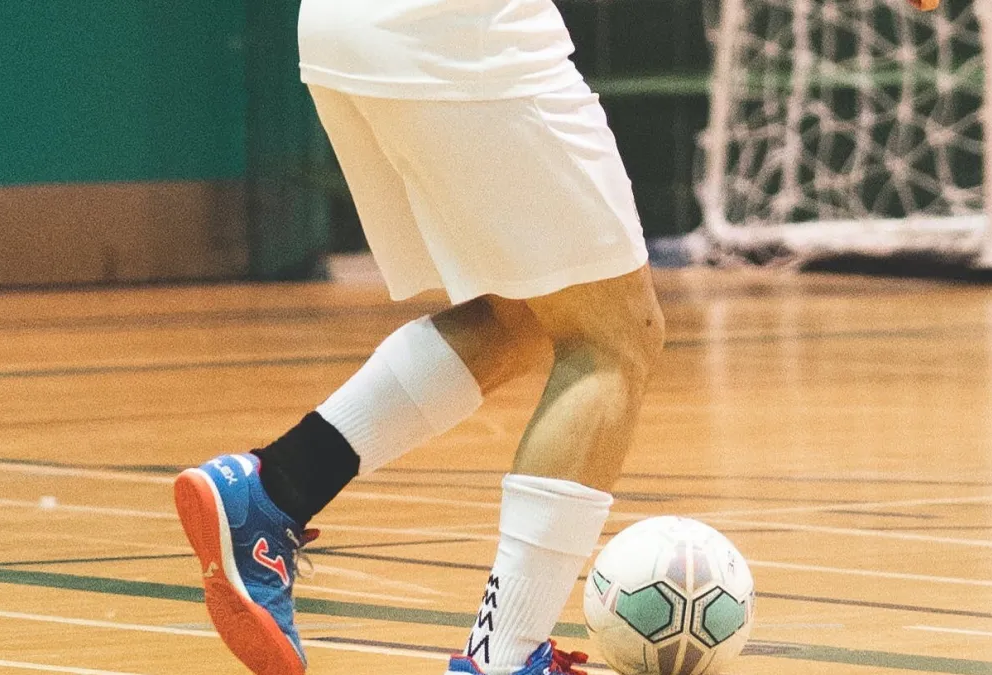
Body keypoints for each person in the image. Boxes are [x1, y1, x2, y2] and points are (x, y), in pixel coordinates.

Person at [173, 1, 665, 673]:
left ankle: (276, 488)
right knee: (615, 337)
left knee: (522, 312)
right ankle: (506, 655)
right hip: (456, 39)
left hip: (348, 31)